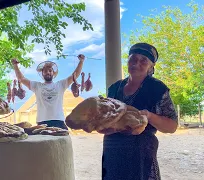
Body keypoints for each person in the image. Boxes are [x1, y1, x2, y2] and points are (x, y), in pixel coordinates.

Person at [102, 43, 178, 180]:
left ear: (151, 66)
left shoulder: (157, 88)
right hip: (112, 153)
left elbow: (172, 126)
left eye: (143, 60)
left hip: (142, 156)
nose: (137, 63)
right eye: (133, 58)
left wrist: (149, 116)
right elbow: (105, 120)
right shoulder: (114, 88)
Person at [11, 54, 85, 130]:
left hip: (59, 121)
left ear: (53, 73)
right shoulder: (36, 86)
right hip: (42, 122)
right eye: (45, 71)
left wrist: (81, 62)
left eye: (50, 70)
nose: (48, 72)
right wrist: (15, 66)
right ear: (42, 74)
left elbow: (75, 75)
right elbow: (22, 79)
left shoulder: (61, 85)